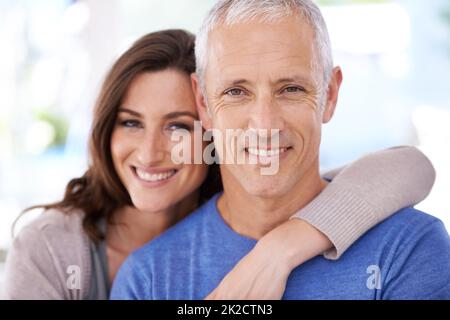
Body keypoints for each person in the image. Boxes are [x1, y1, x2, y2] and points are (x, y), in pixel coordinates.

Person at [3, 29, 435, 300]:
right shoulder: (54, 248)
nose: (151, 152)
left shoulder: (250, 196)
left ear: (210, 122)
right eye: (131, 123)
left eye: (177, 127)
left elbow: (410, 167)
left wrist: (278, 251)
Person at [110, 0, 450, 300]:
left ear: (330, 95)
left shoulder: (409, 249)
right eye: (235, 92)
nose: (265, 123)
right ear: (203, 103)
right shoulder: (149, 279)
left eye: (290, 88)